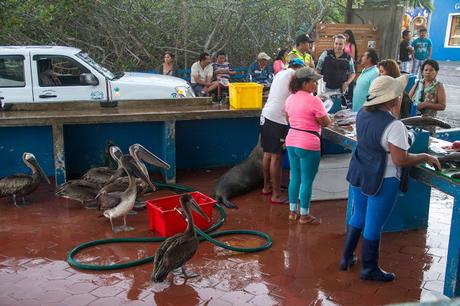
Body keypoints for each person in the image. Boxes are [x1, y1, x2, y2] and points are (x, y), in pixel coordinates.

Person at [341, 75, 440, 282]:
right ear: (394, 99)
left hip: (360, 173)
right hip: (383, 180)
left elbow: (368, 142)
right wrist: (425, 156)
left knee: (358, 216)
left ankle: (346, 257)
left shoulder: (361, 114)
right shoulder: (394, 126)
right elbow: (400, 159)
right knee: (373, 224)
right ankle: (369, 269)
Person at [285, 67, 332, 225]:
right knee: (306, 181)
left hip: (291, 140)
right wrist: (326, 117)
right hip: (308, 143)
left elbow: (288, 118)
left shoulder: (290, 99)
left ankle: (292, 212)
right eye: (313, 81)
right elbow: (325, 123)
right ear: (304, 83)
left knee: (295, 177)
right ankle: (304, 215)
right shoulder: (314, 100)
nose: (316, 83)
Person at [261, 58, 305, 204]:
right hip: (277, 119)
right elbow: (300, 95)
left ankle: (266, 187)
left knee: (267, 154)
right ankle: (276, 195)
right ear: (298, 68)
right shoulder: (294, 75)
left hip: (266, 115)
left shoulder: (280, 73)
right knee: (277, 157)